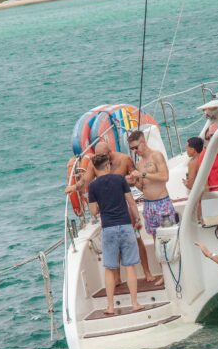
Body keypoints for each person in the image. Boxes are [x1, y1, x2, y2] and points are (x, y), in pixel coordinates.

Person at [66, 140, 156, 283]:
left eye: (102, 156)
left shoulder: (124, 159)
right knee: (114, 245)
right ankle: (117, 278)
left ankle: (147, 272)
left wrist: (136, 183)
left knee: (137, 239)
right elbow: (85, 180)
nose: (99, 159)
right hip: (107, 211)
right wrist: (73, 187)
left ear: (109, 153)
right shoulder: (95, 163)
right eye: (97, 156)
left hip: (124, 209)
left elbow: (137, 181)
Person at [87, 153, 145, 316]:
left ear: (95, 168)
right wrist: (138, 219)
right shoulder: (120, 180)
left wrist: (99, 207)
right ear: (107, 166)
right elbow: (131, 202)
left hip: (109, 229)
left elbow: (93, 211)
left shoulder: (92, 187)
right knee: (130, 266)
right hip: (126, 226)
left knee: (110, 269)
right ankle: (134, 304)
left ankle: (111, 307)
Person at [128, 130, 176, 263]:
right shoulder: (140, 163)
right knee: (156, 240)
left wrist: (143, 175)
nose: (135, 151)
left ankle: (174, 268)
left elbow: (164, 177)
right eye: (132, 149)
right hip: (148, 205)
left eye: (136, 147)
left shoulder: (156, 156)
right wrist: (133, 182)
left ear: (143, 142)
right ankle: (163, 272)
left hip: (162, 202)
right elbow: (143, 187)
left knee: (169, 236)